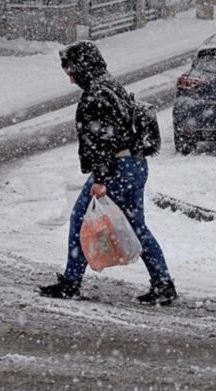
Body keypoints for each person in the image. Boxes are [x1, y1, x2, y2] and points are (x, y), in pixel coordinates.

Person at [38, 41, 177, 306]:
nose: (70, 79)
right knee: (136, 226)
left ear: (82, 67)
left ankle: (71, 282)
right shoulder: (111, 85)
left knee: (80, 219)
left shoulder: (96, 94)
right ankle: (163, 283)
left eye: (71, 72)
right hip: (135, 165)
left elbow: (102, 140)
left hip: (115, 169)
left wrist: (100, 179)